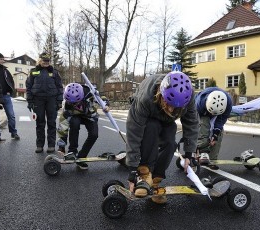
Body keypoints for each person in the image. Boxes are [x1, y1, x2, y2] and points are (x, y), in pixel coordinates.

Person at [126, 71, 199, 204]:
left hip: (167, 121)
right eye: (168, 104)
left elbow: (192, 124)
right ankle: (144, 175)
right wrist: (132, 168)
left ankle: (155, 182)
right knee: (152, 129)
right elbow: (134, 133)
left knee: (171, 143)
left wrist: (189, 153)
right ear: (161, 94)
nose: (171, 110)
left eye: (175, 107)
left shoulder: (188, 98)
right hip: (149, 116)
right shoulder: (145, 98)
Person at [57, 82, 109, 169]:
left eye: (76, 102)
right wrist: (61, 146)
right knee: (74, 123)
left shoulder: (91, 94)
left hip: (90, 117)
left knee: (94, 135)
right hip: (76, 117)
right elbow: (63, 127)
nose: (73, 104)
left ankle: (81, 157)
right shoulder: (67, 106)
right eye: (71, 102)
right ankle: (72, 152)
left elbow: (102, 99)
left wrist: (106, 105)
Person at [26, 52, 63, 153]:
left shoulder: (54, 72)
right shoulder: (33, 71)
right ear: (40, 61)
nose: (46, 62)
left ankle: (51, 145)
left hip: (52, 100)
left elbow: (60, 87)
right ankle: (39, 145)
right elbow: (28, 87)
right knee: (40, 123)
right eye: (44, 61)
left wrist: (59, 101)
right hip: (38, 100)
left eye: (48, 61)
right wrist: (30, 101)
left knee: (51, 123)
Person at [195, 87, 232, 169]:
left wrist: (215, 134)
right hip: (203, 111)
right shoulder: (199, 102)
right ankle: (201, 151)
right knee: (204, 126)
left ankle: (212, 160)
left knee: (219, 133)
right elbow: (198, 123)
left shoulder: (228, 104)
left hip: (219, 112)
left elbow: (221, 121)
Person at [0, 52, 20, 141]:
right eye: (1, 59)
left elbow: (11, 82)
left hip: (5, 96)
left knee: (11, 115)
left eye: (3, 59)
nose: (3, 61)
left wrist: (10, 92)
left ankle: (13, 133)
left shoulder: (5, 70)